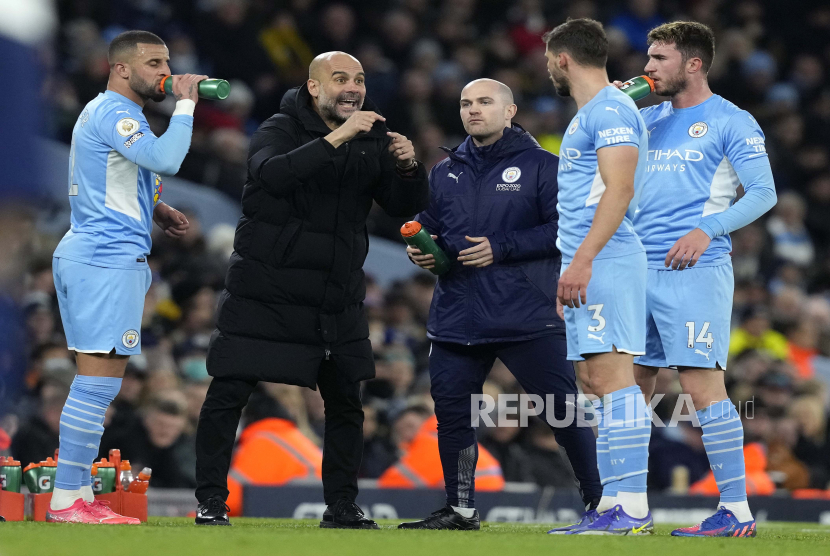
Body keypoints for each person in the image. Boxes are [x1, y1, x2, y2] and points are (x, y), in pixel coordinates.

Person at [194, 51, 429, 528]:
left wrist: (407, 168)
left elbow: (404, 208)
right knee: (229, 393)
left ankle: (341, 506)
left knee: (346, 403)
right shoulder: (278, 128)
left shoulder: (372, 138)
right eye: (340, 78)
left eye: (359, 80)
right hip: (266, 292)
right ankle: (211, 502)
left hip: (335, 298)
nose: (352, 88)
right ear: (314, 88)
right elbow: (271, 174)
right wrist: (340, 137)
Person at [398, 78, 601, 531]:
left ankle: (599, 504)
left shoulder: (544, 166)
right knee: (452, 416)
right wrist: (423, 245)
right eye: (466, 102)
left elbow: (566, 229)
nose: (473, 110)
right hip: (456, 313)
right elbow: (432, 222)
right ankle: (460, 508)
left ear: (509, 111)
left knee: (562, 412)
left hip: (524, 311)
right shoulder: (444, 170)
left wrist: (501, 247)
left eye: (485, 102)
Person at [47, 30, 205, 525]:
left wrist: (156, 208)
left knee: (99, 385)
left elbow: (118, 174)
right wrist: (185, 106)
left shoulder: (116, 115)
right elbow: (166, 158)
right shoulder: (116, 112)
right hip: (104, 258)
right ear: (121, 69)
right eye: (154, 62)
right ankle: (66, 500)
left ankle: (72, 495)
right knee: (94, 386)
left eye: (168, 61)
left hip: (98, 254)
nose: (166, 71)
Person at [625, 21, 776, 538]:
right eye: (648, 57)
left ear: (693, 64)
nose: (647, 67)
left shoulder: (732, 120)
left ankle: (735, 511)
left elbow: (763, 192)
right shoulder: (645, 118)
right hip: (634, 271)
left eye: (659, 58)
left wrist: (706, 230)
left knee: (703, 389)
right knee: (629, 390)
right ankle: (627, 507)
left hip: (693, 272)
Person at [544, 19, 652, 535]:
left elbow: (619, 189)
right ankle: (611, 503)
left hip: (606, 258)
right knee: (593, 381)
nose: (547, 68)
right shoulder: (597, 110)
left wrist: (583, 260)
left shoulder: (609, 110)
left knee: (613, 381)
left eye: (548, 60)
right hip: (589, 260)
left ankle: (631, 506)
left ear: (562, 58)